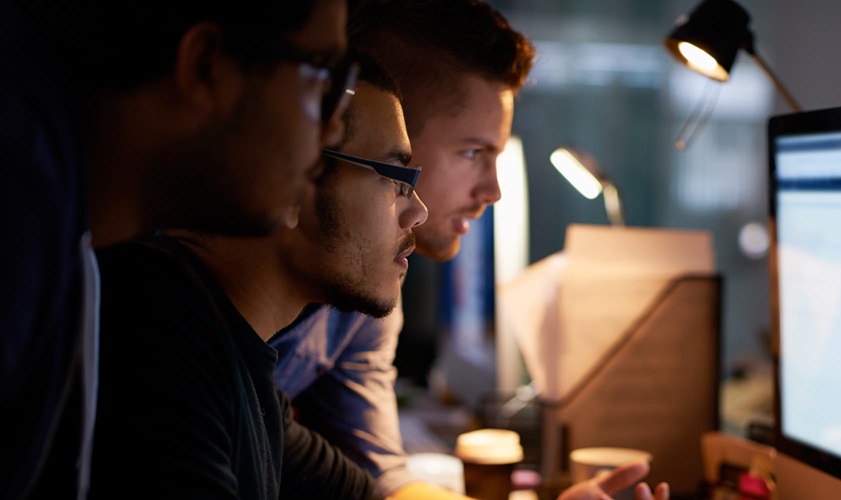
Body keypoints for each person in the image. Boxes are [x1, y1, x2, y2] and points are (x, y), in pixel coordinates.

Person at [269, 1, 668, 499]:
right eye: (473, 152)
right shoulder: (188, 324)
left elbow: (376, 477)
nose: (493, 191)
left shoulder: (361, 294)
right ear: (375, 129)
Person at [1, 0, 353, 496]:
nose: (335, 127)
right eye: (326, 78)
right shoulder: (21, 189)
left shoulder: (65, 222)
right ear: (206, 65)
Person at [90, 54, 422, 499]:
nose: (418, 212)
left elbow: (358, 494)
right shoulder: (157, 335)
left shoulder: (238, 353)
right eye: (395, 178)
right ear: (293, 181)